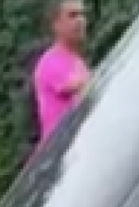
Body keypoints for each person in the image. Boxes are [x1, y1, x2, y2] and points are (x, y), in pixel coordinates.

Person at [33, 0, 90, 147]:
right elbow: (86, 89)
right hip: (59, 154)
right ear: (56, 24)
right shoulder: (50, 62)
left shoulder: (77, 61)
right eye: (73, 15)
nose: (80, 20)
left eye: (82, 14)